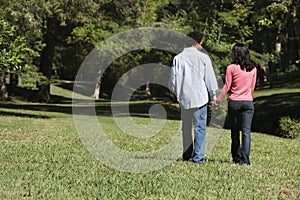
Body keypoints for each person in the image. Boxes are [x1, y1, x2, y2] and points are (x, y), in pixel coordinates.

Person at [169, 31, 218, 164]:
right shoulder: (203, 58)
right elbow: (210, 79)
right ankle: (198, 157)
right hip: (200, 97)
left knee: (186, 128)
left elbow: (172, 81)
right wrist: (213, 96)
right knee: (200, 128)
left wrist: (178, 94)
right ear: (198, 42)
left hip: (185, 97)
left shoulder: (178, 58)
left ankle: (187, 155)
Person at [212, 43, 257, 165]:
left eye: (232, 52)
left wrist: (217, 101)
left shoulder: (231, 68)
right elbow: (252, 88)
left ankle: (237, 158)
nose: (231, 54)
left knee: (235, 132)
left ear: (236, 54)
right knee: (246, 132)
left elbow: (226, 87)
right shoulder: (253, 68)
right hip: (248, 103)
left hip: (234, 103)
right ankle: (245, 159)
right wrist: (246, 95)